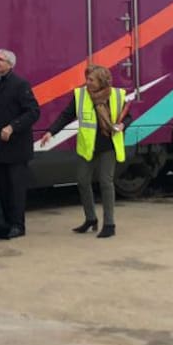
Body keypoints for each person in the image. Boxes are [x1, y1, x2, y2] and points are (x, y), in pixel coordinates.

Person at [40, 65, 130, 238]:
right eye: (87, 79)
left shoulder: (117, 95)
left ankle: (109, 224)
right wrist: (51, 132)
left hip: (108, 146)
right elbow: (66, 115)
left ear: (101, 82)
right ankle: (91, 219)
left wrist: (122, 125)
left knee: (106, 182)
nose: (87, 82)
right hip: (88, 146)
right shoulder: (81, 95)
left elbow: (128, 116)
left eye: (91, 80)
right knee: (82, 181)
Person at [0, 49, 39, 238]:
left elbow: (33, 112)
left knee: (15, 189)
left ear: (10, 65)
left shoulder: (20, 85)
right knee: (2, 187)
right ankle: (5, 222)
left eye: (0, 59)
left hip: (16, 148)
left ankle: (18, 225)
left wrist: (13, 127)